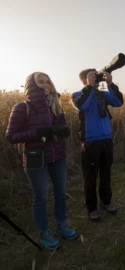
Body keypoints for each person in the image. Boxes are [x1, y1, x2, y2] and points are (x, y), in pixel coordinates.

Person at [6, 72, 77, 251]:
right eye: (40, 82)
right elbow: (11, 136)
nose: (45, 85)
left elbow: (64, 127)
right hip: (36, 160)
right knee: (41, 198)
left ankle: (62, 226)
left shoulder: (56, 105)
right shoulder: (22, 107)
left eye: (47, 82)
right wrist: (38, 133)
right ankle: (44, 233)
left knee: (60, 193)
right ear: (31, 85)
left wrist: (63, 131)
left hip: (58, 156)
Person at [71, 69, 123, 221]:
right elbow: (81, 106)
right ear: (84, 79)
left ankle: (106, 202)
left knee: (106, 172)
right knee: (91, 175)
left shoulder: (103, 92)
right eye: (92, 76)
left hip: (106, 138)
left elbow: (118, 102)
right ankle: (92, 207)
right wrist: (89, 87)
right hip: (90, 140)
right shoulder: (78, 94)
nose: (96, 78)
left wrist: (110, 84)